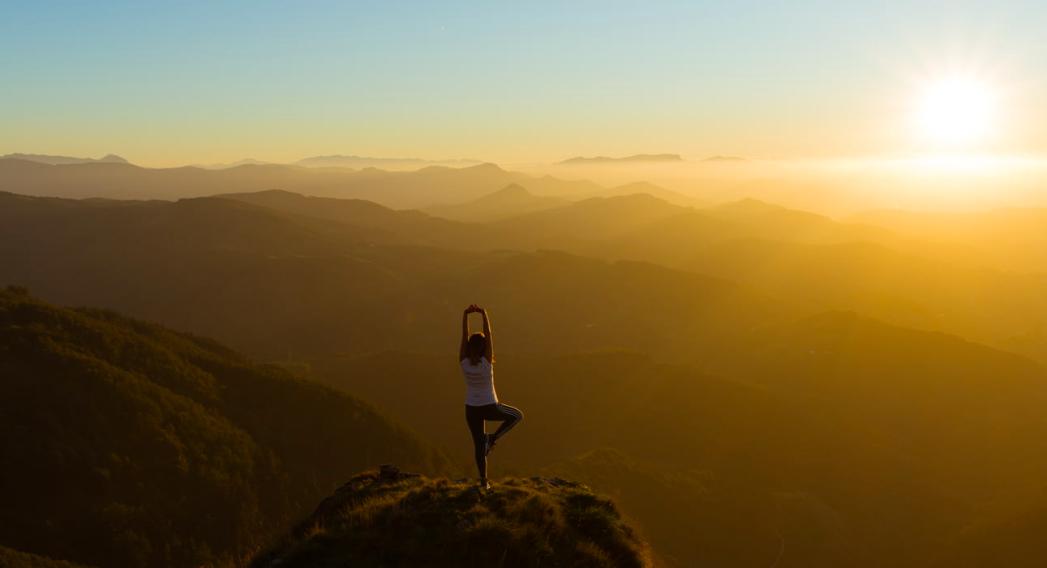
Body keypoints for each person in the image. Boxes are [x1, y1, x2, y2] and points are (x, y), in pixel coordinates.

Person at [460, 304, 523, 490]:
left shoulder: (463, 362)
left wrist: (465, 316)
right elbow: (489, 334)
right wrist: (484, 314)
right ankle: (493, 439)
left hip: (471, 409)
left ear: (470, 346)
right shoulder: (487, 362)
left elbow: (464, 337)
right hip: (489, 406)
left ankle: (483, 481)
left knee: (478, 446)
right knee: (517, 416)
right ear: (484, 347)